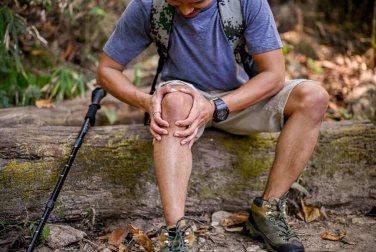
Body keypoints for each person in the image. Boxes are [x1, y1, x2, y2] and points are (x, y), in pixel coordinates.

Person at [96, 0, 329, 251]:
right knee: (172, 101)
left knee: (314, 97)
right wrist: (147, 100)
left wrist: (215, 106)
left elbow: (273, 75)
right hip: (182, 103)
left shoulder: (247, 3)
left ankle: (268, 209)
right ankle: (176, 232)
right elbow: (107, 69)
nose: (185, 11)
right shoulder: (148, 5)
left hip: (241, 99)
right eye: (176, 3)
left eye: (195, 3)